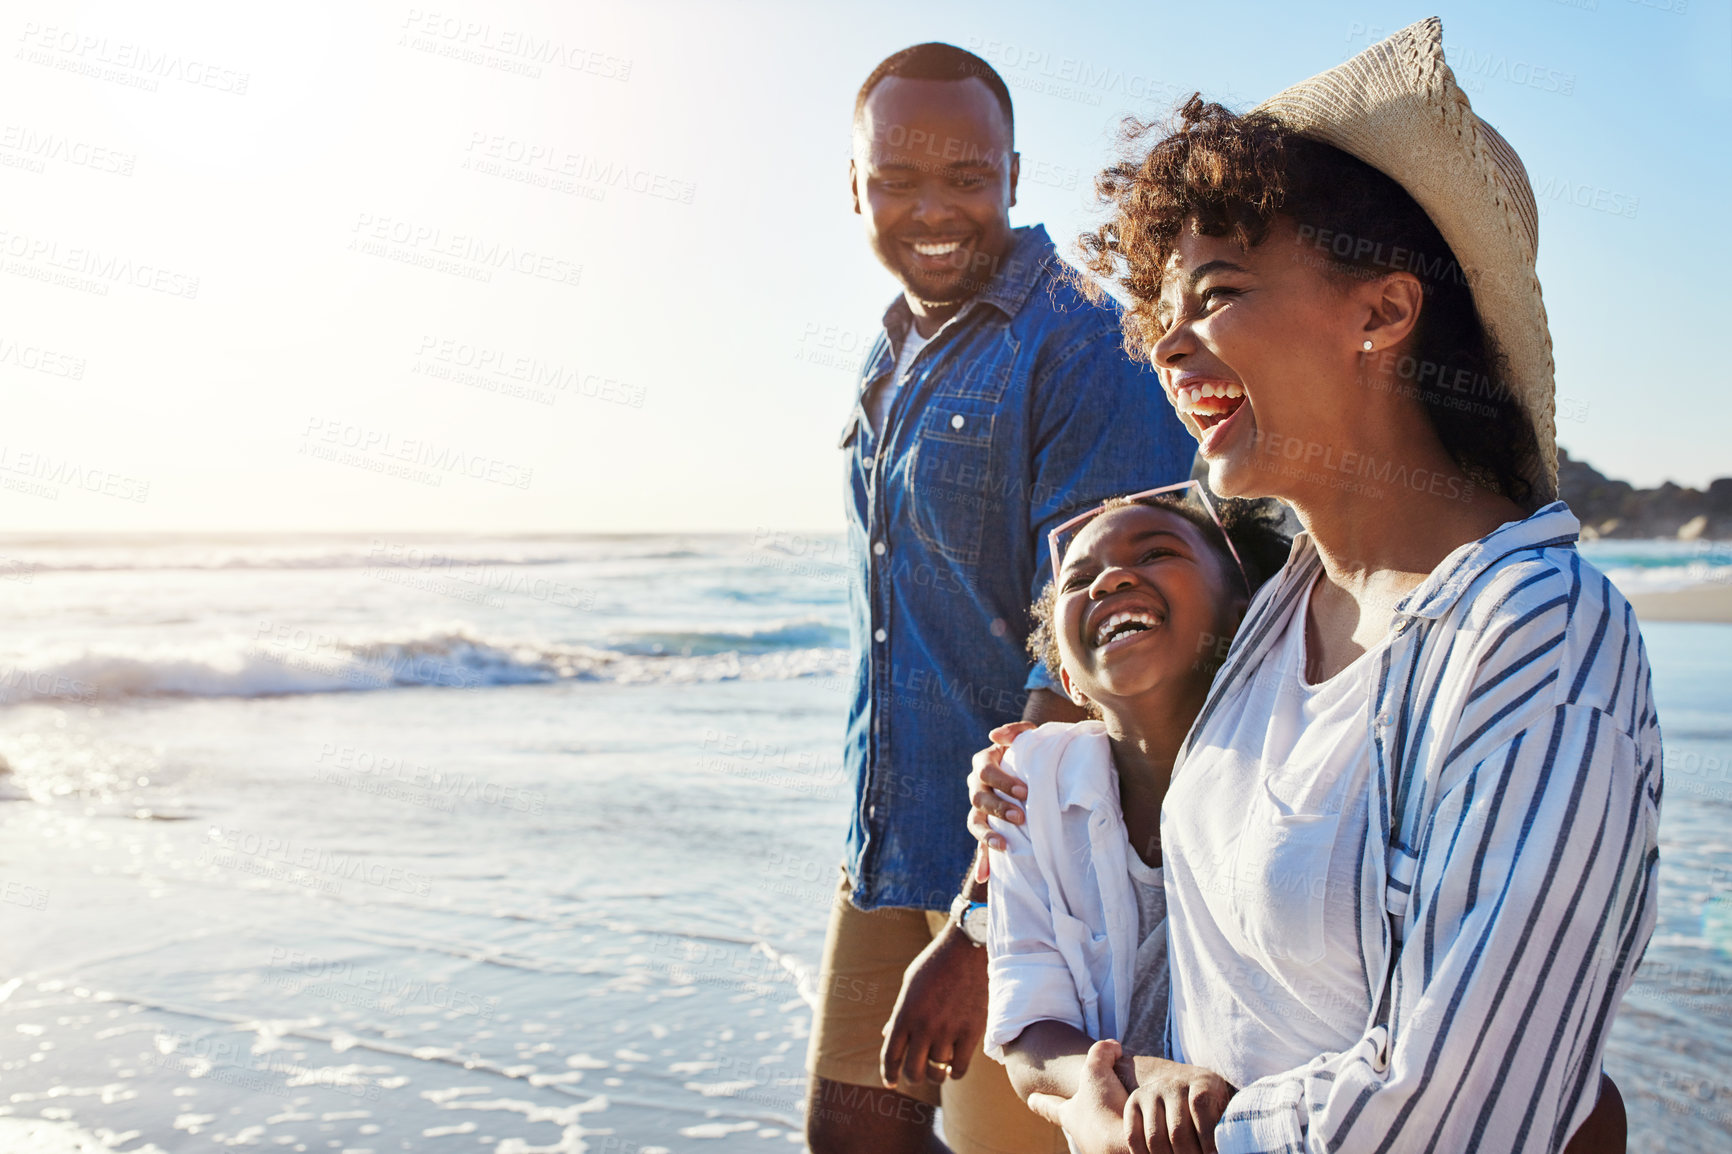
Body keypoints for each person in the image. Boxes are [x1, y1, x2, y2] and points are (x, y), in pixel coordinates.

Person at [964, 19, 1657, 1152]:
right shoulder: (1272, 614)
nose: (1167, 347)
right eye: (1161, 314)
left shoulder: (1535, 636)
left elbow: (1463, 1110)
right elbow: (1201, 935)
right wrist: (1043, 774)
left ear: (1383, 312)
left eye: (1217, 293)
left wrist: (1169, 1137)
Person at [807, 41, 1195, 1154]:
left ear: (1014, 175)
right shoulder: (891, 354)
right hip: (886, 850)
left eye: (966, 178)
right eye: (896, 180)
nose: (932, 210)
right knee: (849, 1137)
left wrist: (981, 920)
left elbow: (1096, 654)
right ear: (855, 185)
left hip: (1029, 878)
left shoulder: (1080, 343)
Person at [982, 487, 1289, 1153]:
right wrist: (1135, 1077)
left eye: (1155, 553)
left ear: (1244, 614)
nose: (1113, 578)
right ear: (1066, 677)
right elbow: (1029, 1030)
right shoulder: (1026, 782)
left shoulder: (1298, 771)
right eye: (1079, 579)